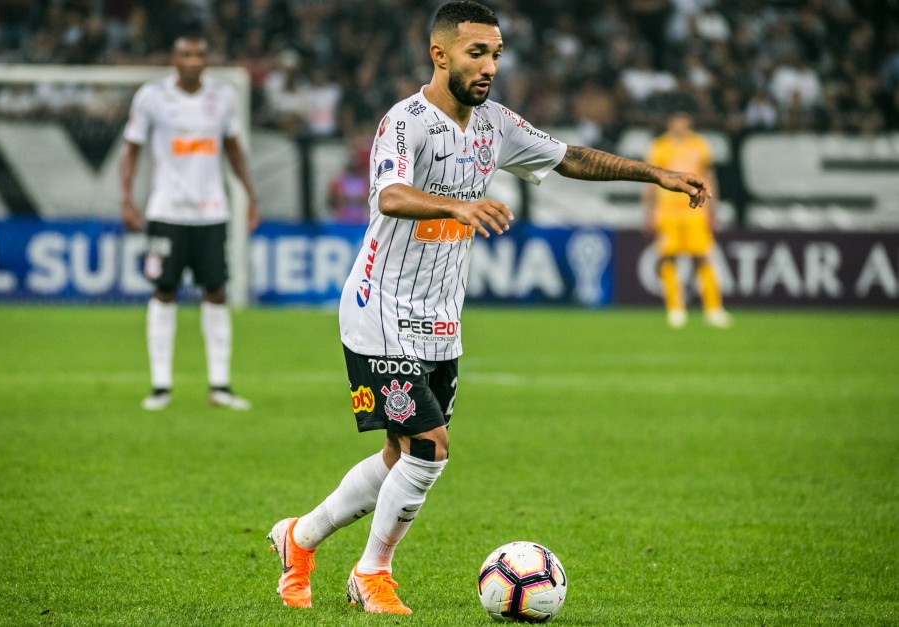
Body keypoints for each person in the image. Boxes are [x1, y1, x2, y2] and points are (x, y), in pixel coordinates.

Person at [266, 1, 712, 615]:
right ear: (440, 53)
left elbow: (570, 157)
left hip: (442, 321)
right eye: (477, 53)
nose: (489, 66)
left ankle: (300, 537)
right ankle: (372, 573)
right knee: (430, 448)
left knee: (400, 456)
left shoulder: (495, 124)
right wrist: (457, 206)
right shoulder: (406, 121)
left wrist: (654, 173)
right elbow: (390, 196)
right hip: (382, 312)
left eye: (496, 55)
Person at [120, 33, 260, 411]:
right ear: (173, 58)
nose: (194, 60)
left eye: (200, 53)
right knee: (163, 291)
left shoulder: (223, 97)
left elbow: (233, 149)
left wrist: (249, 195)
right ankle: (160, 386)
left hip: (211, 211)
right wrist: (126, 198)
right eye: (186, 53)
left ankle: (220, 386)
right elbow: (131, 149)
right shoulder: (151, 97)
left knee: (216, 292)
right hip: (166, 211)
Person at [642, 111, 730, 328]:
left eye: (683, 120)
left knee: (702, 257)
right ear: (670, 122)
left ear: (688, 122)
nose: (679, 125)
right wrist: (648, 212)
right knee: (667, 258)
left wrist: (713, 210)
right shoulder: (659, 146)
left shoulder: (700, 145)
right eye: (675, 121)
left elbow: (709, 178)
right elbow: (651, 181)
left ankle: (713, 309)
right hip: (667, 212)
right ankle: (675, 309)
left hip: (696, 211)